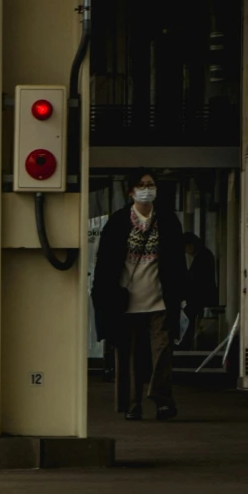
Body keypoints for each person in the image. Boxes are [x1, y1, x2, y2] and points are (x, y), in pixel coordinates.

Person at [92, 170, 186, 420]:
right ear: (131, 191)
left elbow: (177, 262)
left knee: (163, 350)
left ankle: (161, 398)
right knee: (128, 356)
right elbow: (105, 263)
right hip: (125, 301)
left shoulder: (167, 220)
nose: (147, 189)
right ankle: (131, 405)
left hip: (160, 298)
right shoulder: (118, 221)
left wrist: (180, 291)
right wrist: (103, 296)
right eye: (141, 185)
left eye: (151, 184)